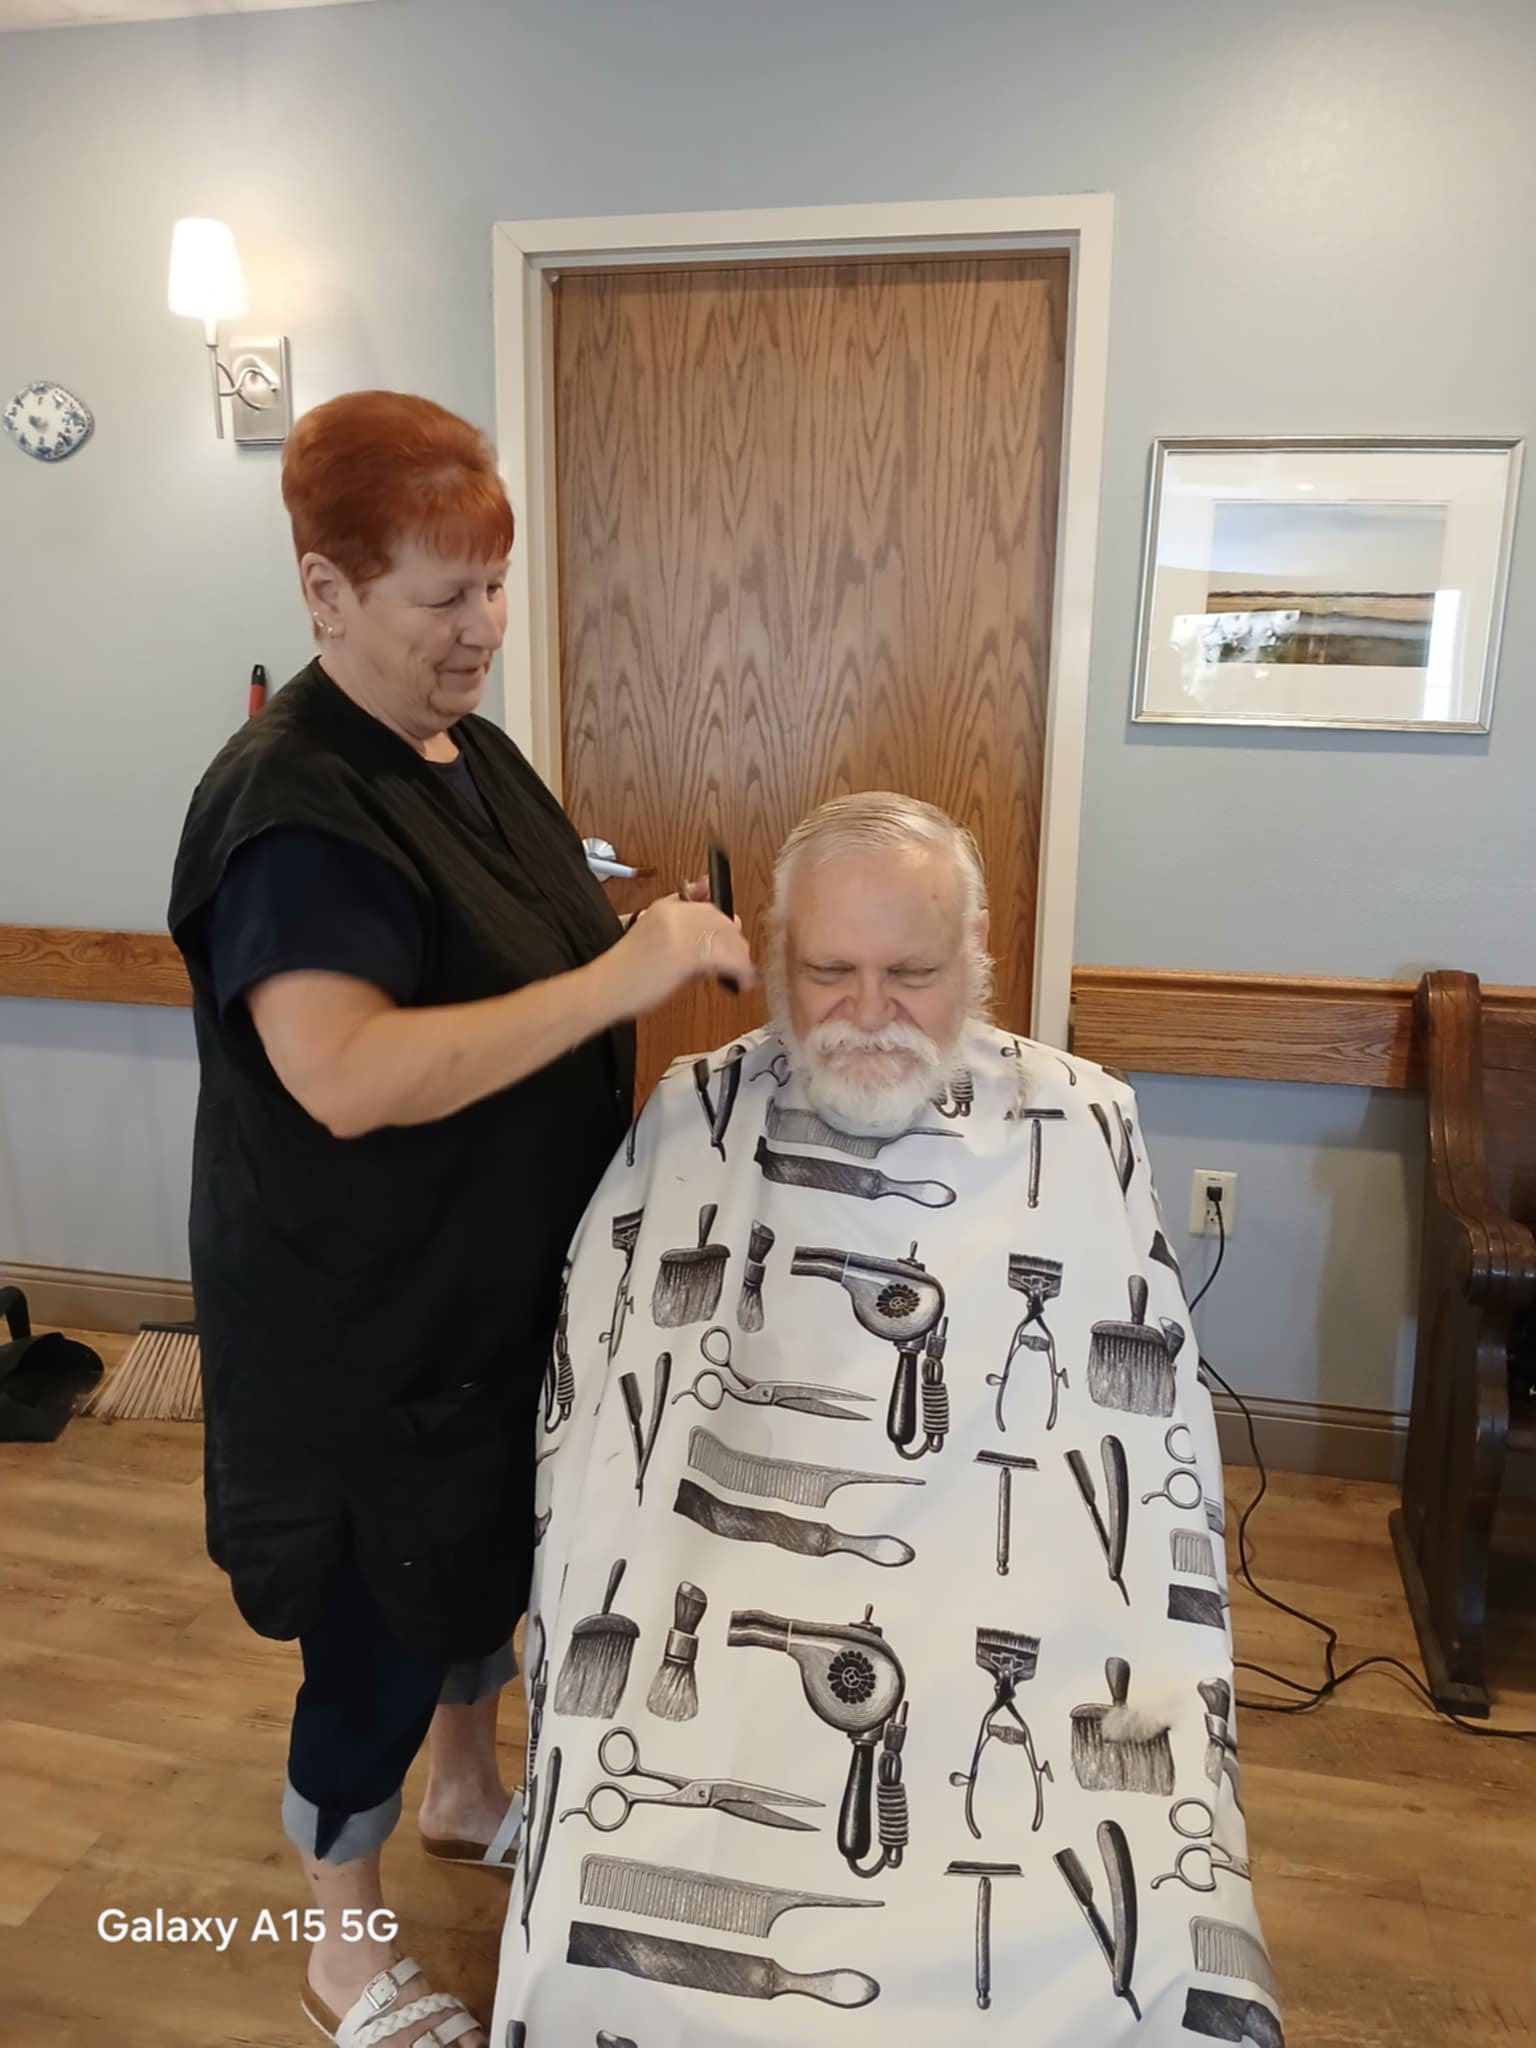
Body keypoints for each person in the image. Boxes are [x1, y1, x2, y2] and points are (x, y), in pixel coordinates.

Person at [492, 792, 1280, 2046]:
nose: (868, 1012)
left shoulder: (1085, 1124)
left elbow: (1151, 1458)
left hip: (1028, 1616)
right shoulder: (694, 1119)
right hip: (724, 1579)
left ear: (976, 963)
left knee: (1161, 1989)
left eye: (911, 973)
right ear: (773, 961)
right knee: (600, 1966)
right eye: (830, 971)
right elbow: (596, 1437)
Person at [167, 390, 754, 2048]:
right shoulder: (295, 812)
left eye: (491, 587)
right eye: (442, 597)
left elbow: (500, 937)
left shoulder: (464, 747)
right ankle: (340, 1942)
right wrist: (617, 976)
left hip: (491, 1288)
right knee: (372, 1602)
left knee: (482, 1547)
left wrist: (626, 932)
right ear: (325, 591)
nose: (480, 629)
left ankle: (466, 1782)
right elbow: (343, 1071)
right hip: (360, 1317)